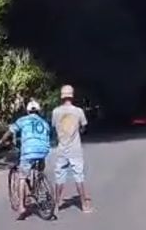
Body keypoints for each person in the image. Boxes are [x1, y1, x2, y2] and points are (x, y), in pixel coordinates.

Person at [0, 100, 51, 219]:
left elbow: (10, 132)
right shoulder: (44, 122)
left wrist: (1, 142)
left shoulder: (23, 120)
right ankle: (40, 180)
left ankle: (21, 206)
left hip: (29, 150)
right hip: (43, 150)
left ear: (27, 111)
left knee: (22, 177)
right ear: (38, 111)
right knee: (39, 165)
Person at [52, 85, 92, 213]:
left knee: (59, 177)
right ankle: (84, 205)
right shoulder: (78, 111)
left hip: (61, 149)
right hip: (75, 149)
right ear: (72, 96)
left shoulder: (55, 112)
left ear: (62, 96)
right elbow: (84, 127)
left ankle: (57, 205)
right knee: (79, 176)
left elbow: (54, 127)